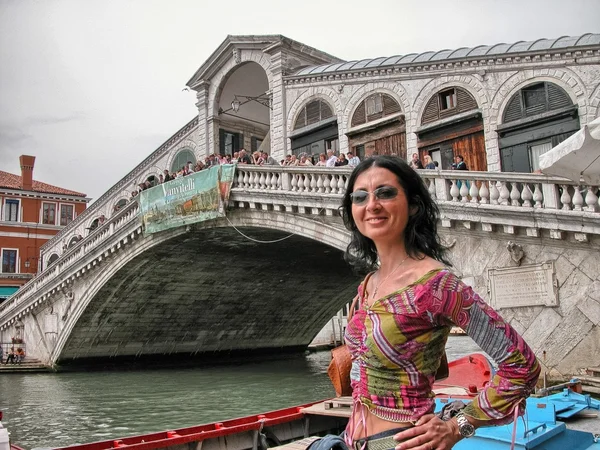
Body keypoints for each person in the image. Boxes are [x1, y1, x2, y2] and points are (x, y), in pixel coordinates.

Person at [339, 156, 539, 450]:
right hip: (351, 440)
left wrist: (458, 426)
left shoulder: (436, 285)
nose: (371, 205)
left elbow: (522, 366)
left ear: (414, 205)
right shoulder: (369, 283)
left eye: (386, 193)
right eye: (360, 197)